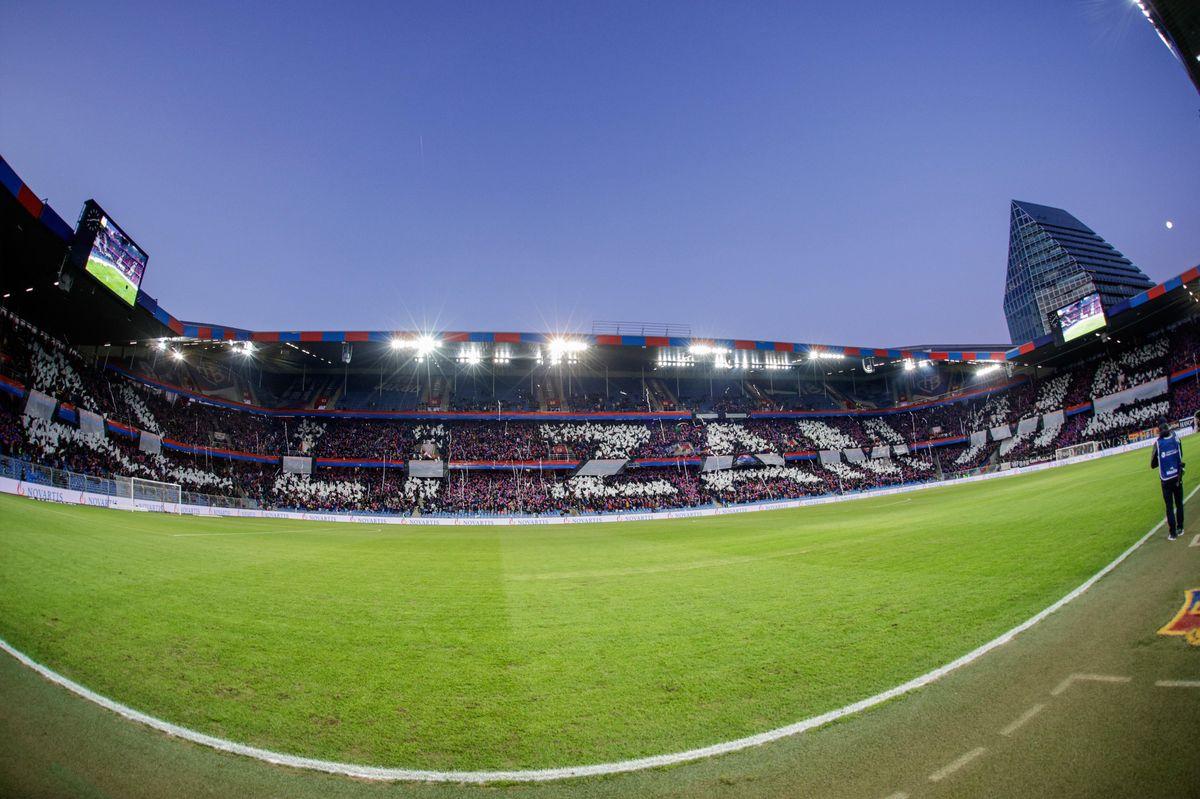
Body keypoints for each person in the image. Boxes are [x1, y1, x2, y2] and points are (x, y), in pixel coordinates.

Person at [1150, 420, 1185, 541]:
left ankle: (1173, 533)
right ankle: (1180, 528)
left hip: (1166, 479)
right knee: (1179, 503)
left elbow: (1153, 464)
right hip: (1177, 475)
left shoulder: (1158, 444)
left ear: (1159, 431)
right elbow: (1181, 454)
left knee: (1169, 506)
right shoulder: (1176, 439)